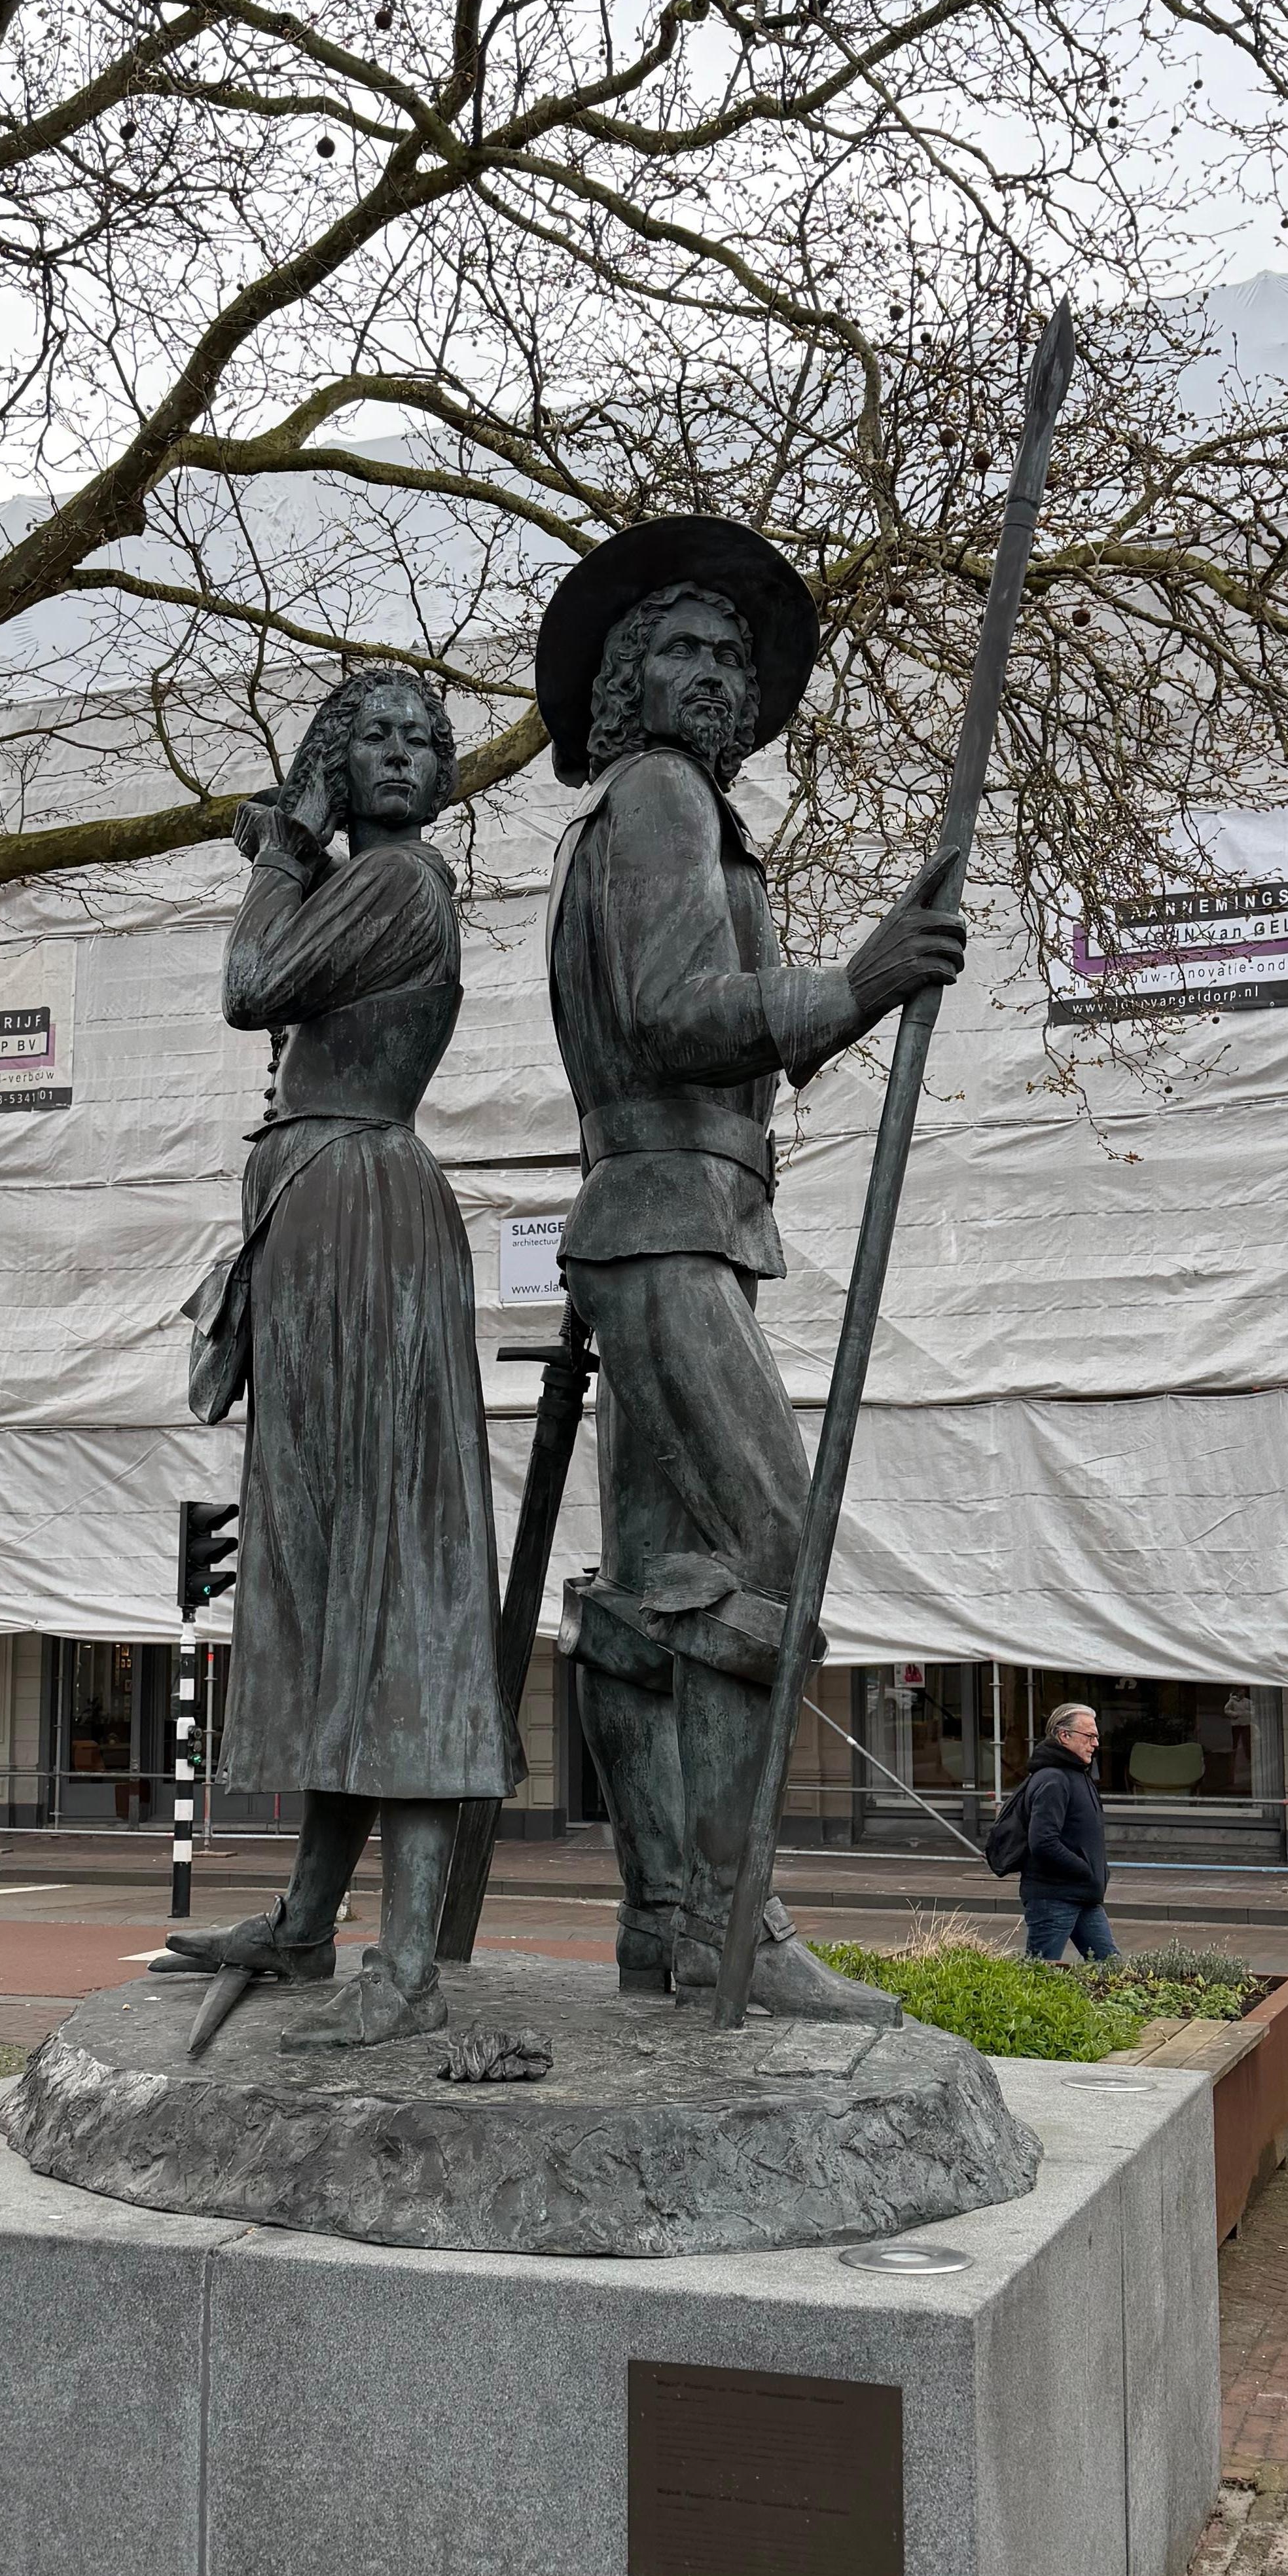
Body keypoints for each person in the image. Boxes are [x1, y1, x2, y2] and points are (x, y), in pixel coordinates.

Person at [536, 515, 967, 2016]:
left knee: (657, 1587)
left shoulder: (677, 817)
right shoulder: (654, 800)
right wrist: (852, 983)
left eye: (731, 651)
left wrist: (845, 990)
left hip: (675, 1224)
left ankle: (664, 1924)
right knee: (770, 1555)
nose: (715, 671)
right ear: (627, 679)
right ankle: (729, 1925)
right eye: (683, 648)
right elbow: (670, 1007)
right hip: (662, 1230)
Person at [166, 663, 519, 2047]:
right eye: (369, 736)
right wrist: (289, 850)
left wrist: (289, 844)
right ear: (334, 753)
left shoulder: (397, 883)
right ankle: (310, 1927)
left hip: (363, 1221)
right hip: (325, 1217)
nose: (400, 753)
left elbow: (253, 989)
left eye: (421, 741)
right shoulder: (364, 883)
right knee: (327, 1570)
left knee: (392, 1571)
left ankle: (409, 1963)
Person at [1012, 1703, 1118, 1966]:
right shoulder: (1053, 1779)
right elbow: (1043, 1841)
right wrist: (1085, 1869)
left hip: (1083, 1895)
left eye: (1096, 1737)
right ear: (1064, 1736)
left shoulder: (1077, 1775)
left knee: (1112, 1970)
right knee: (1039, 1975)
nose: (1095, 1744)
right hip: (1054, 1897)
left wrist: (1096, 1873)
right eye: (1089, 1736)